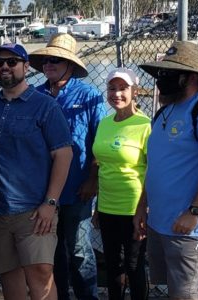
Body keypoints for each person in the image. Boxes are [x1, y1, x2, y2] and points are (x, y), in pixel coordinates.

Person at [135, 40, 198, 300]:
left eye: (168, 74)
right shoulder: (163, 113)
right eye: (160, 73)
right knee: (166, 289)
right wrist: (141, 207)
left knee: (184, 294)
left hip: (189, 228)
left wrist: (194, 212)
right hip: (159, 222)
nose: (160, 79)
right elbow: (156, 165)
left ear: (190, 78)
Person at [0, 43, 73, 300]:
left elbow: (63, 154)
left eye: (12, 62)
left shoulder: (45, 106)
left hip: (33, 210)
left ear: (25, 66)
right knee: (9, 277)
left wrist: (51, 202)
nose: (5, 67)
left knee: (41, 273)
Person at [28, 33, 105, 300]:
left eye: (56, 60)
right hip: (43, 191)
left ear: (70, 65)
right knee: (51, 252)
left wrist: (93, 179)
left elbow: (99, 140)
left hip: (76, 188)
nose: (49, 64)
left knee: (79, 251)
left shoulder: (89, 95)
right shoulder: (34, 96)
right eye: (46, 60)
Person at [86, 69, 149, 300]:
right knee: (113, 264)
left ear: (134, 91)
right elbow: (102, 165)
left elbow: (152, 170)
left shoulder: (145, 125)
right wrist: (98, 207)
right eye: (112, 88)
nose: (117, 94)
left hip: (133, 207)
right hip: (107, 206)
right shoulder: (104, 123)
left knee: (133, 266)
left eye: (123, 88)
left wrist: (144, 209)